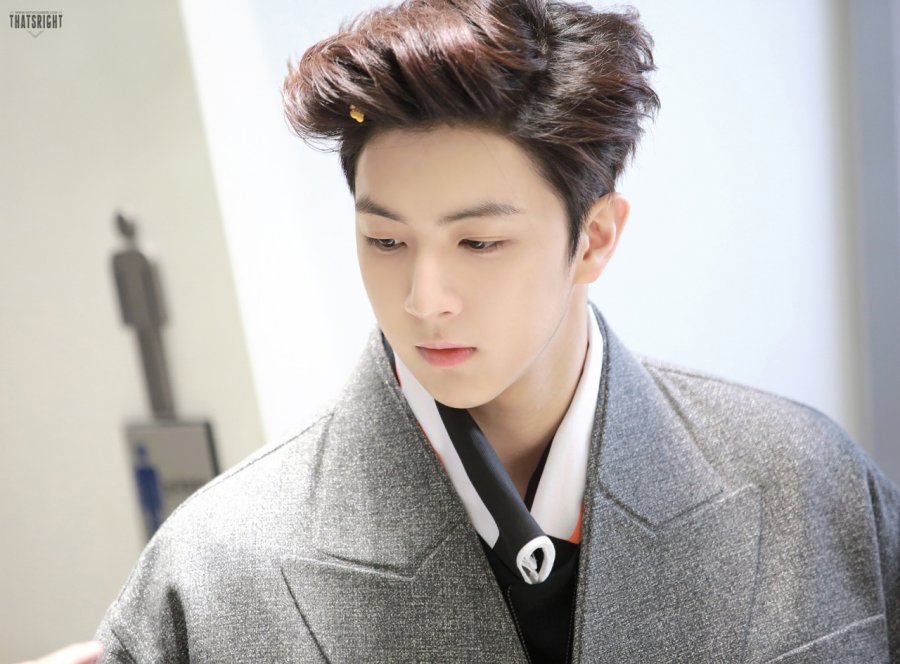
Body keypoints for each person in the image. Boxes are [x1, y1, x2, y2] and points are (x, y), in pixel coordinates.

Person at [87, 0, 900, 661]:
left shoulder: (806, 484)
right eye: (385, 241)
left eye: (478, 243)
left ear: (595, 238)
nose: (424, 299)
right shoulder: (218, 568)